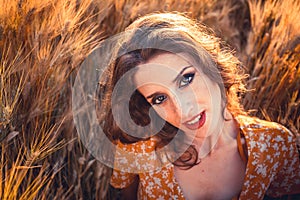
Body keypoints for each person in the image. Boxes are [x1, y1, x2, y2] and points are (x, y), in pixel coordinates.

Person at [97, 12, 300, 199]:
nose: (183, 109)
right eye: (159, 98)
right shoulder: (139, 146)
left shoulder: (273, 145)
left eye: (186, 79)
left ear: (208, 64)